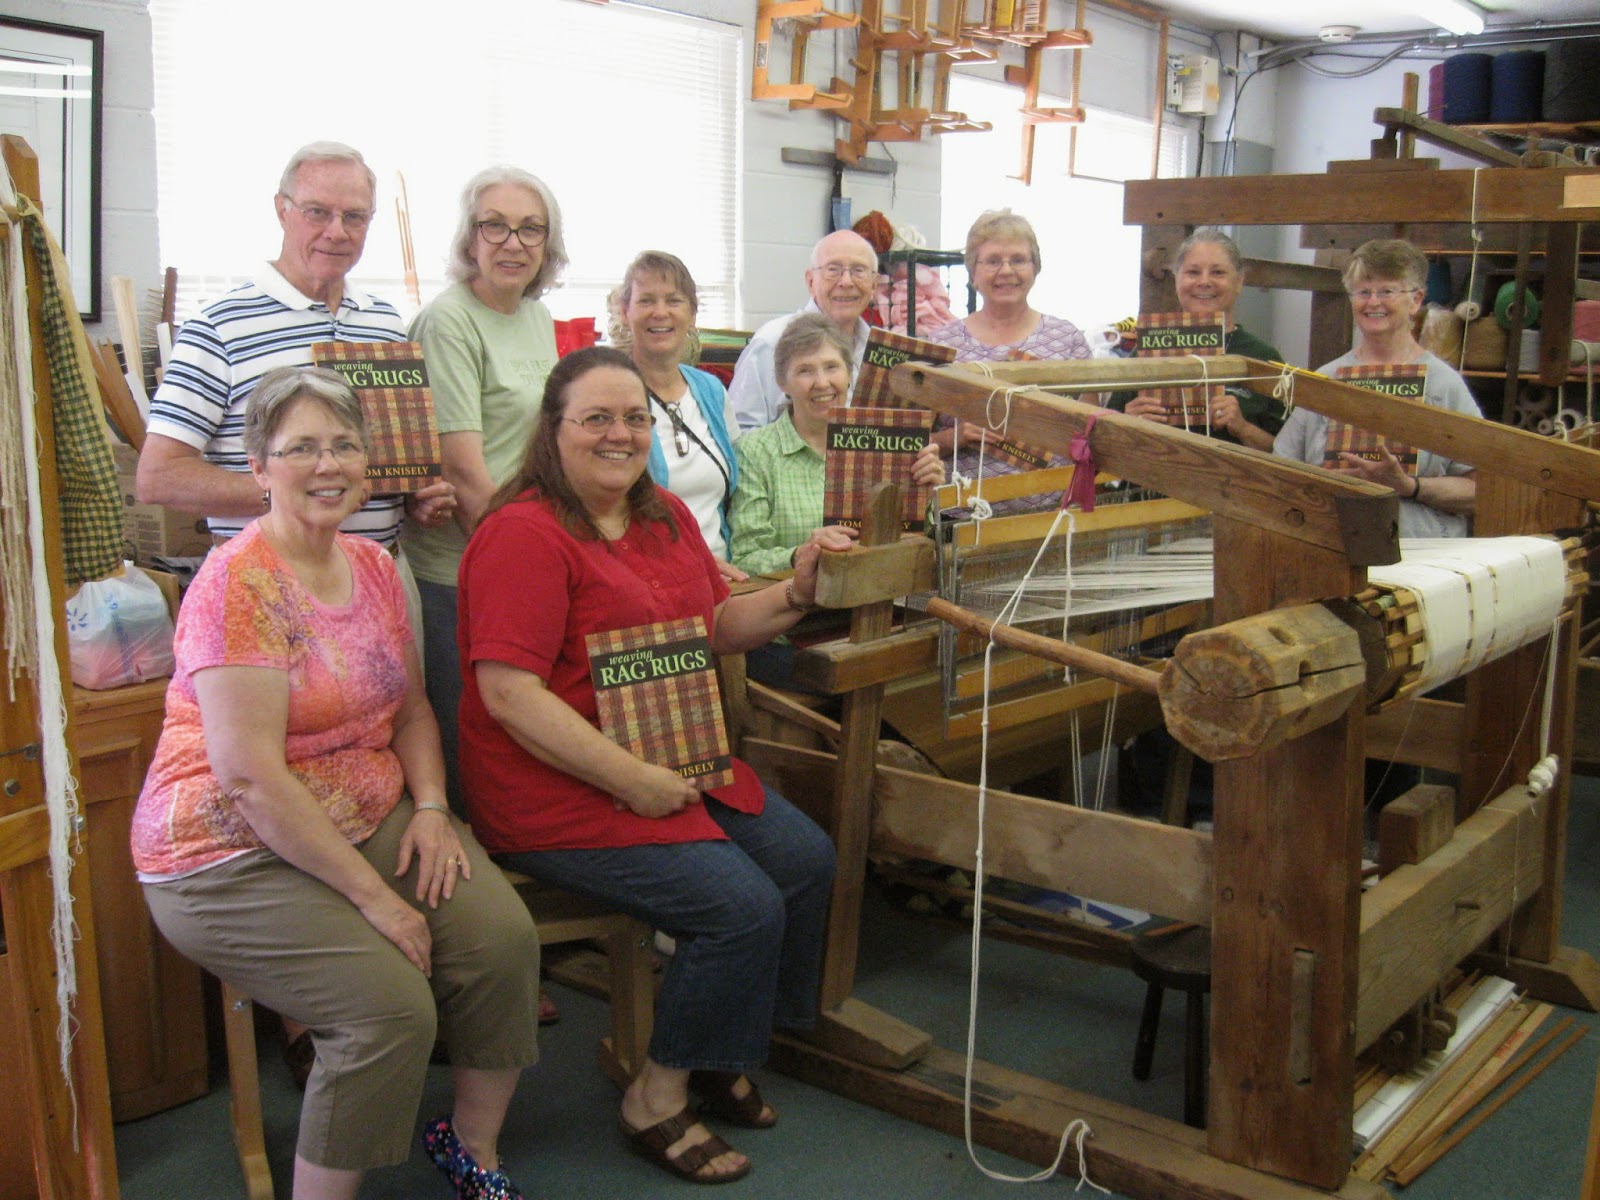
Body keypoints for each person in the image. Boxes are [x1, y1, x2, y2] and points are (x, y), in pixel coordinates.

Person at [131, 367, 540, 1200]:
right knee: (386, 1009)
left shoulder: (374, 565)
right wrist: (378, 899)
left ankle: (470, 1144)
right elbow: (249, 779)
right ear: (258, 466)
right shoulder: (236, 583)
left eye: (345, 445)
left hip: (361, 808)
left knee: (501, 938)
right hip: (225, 846)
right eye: (302, 448)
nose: (328, 465)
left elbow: (412, 709)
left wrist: (431, 808)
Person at [457, 347, 840, 1185]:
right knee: (739, 908)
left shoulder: (660, 513)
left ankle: (714, 1050)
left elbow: (716, 625)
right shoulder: (520, 533)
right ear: (553, 430)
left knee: (805, 861)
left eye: (635, 418)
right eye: (596, 418)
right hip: (555, 786)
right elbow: (509, 697)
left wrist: (797, 593)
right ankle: (655, 1096)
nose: (620, 434)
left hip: (668, 752)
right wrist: (631, 782)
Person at [136, 141, 455, 645]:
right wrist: (294, 492)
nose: (337, 231)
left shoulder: (384, 323)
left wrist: (414, 498)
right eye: (317, 212)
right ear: (282, 210)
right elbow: (158, 478)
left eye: (354, 216)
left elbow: (380, 471)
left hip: (383, 580)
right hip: (269, 586)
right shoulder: (218, 328)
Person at [405, 166, 565, 819]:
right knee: (470, 745)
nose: (512, 243)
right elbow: (467, 475)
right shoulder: (448, 321)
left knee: (523, 741)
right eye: (494, 226)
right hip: (463, 572)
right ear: (469, 238)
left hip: (524, 552)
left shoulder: (535, 316)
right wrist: (536, 565)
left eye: (530, 229)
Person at [1275, 238, 1479, 537]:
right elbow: (1282, 470)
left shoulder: (1444, 385)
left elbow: (1481, 491)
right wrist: (1322, 482)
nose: (1373, 303)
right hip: (1333, 544)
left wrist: (1411, 487)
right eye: (1363, 292)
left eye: (1387, 291)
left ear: (1416, 300)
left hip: (1420, 554)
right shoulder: (1325, 380)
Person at [730, 314, 944, 577]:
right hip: (795, 599)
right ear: (781, 382)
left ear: (850, 373)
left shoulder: (885, 443)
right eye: (805, 370)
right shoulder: (754, 452)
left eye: (832, 367)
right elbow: (746, 558)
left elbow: (914, 540)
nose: (822, 383)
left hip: (880, 590)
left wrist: (926, 495)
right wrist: (800, 553)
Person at [925, 210, 1091, 484]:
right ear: (973, 273)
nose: (1006, 271)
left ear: (1035, 268)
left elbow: (1092, 435)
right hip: (962, 507)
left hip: (1055, 507)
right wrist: (956, 436)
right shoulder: (941, 345)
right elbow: (911, 443)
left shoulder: (1067, 339)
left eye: (1018, 260)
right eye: (992, 261)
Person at [610, 250, 745, 581]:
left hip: (724, 575)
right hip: (649, 580)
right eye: (646, 301)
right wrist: (690, 567)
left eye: (674, 300)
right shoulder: (610, 394)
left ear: (692, 313)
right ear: (625, 312)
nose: (660, 312)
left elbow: (739, 491)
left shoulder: (712, 391)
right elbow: (605, 513)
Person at [1105, 228, 1287, 450]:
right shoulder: (1146, 351)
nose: (1204, 281)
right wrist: (1127, 423)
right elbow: (1103, 445)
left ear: (1239, 281)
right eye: (1193, 272)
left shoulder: (1264, 358)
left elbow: (1291, 457)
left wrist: (1243, 428)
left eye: (1218, 272)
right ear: (1177, 279)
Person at [727, 229, 880, 432]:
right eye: (833, 270)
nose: (846, 282)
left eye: (858, 270)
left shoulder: (878, 350)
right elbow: (740, 431)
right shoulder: (772, 341)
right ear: (810, 281)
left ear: (874, 285)